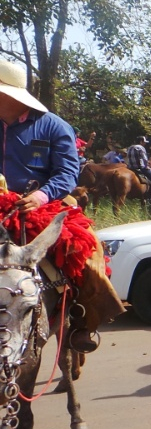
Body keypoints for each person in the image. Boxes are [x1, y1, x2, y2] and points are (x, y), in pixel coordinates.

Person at [0, 59, 125, 352]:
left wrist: (41, 196)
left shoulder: (54, 126)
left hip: (43, 203)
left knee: (86, 249)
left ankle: (83, 321)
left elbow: (68, 173)